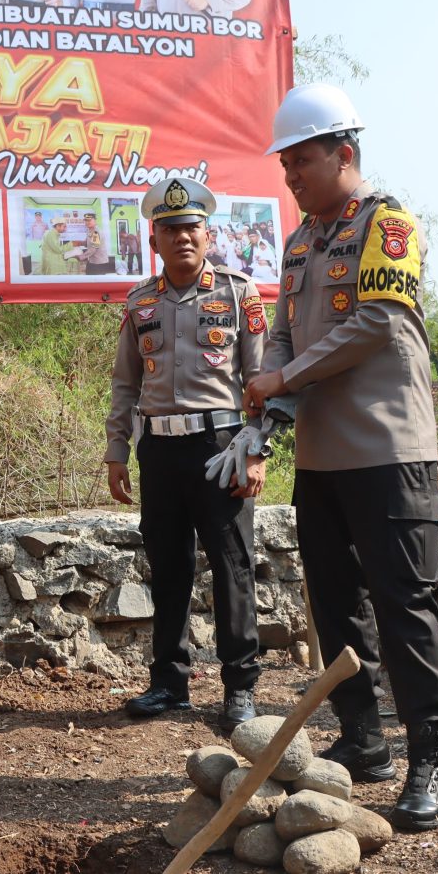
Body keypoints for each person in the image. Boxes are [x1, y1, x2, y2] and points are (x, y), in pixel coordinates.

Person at [244, 83, 438, 832]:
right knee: (333, 605)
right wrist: (269, 392)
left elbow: (375, 323)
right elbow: (281, 332)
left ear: (346, 153)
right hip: (323, 458)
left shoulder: (387, 226)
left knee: (405, 605)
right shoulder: (301, 242)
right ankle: (364, 739)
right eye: (286, 164)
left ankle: (430, 756)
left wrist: (283, 378)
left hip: (389, 449)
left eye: (302, 161)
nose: (291, 176)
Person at [104, 176, 266, 730]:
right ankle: (169, 683)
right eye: (170, 229)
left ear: (208, 233)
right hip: (160, 452)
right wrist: (116, 450)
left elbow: (261, 380)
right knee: (168, 567)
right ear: (154, 239)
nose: (182, 237)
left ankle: (239, 686)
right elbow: (125, 384)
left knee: (231, 566)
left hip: (220, 447)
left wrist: (257, 447)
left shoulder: (238, 294)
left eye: (191, 227)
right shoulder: (140, 302)